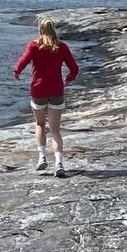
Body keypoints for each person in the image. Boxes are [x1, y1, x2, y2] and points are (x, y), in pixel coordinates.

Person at [14, 18, 79, 176]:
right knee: (55, 130)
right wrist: (69, 78)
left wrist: (17, 71)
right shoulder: (62, 47)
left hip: (38, 91)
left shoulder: (34, 46)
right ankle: (59, 163)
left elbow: (23, 61)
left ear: (40, 30)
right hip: (56, 91)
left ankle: (42, 157)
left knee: (40, 124)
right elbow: (74, 68)